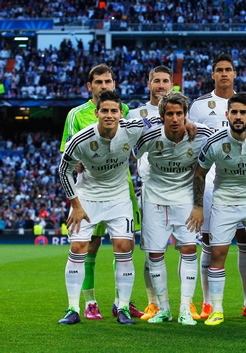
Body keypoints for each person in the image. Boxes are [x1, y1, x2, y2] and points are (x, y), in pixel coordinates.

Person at [58, 91, 160, 325]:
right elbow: (64, 170)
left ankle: (122, 307)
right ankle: (72, 308)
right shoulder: (81, 139)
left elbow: (159, 118)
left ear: (120, 113)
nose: (109, 115)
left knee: (124, 247)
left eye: (114, 110)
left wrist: (188, 123)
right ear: (96, 113)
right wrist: (75, 204)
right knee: (78, 246)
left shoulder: (132, 127)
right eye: (104, 110)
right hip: (88, 198)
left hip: (118, 198)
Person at [186, 92, 246, 326]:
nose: (238, 116)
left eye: (243, 112)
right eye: (234, 112)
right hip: (224, 204)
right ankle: (217, 310)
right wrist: (198, 207)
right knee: (217, 255)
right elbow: (199, 173)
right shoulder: (215, 142)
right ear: (226, 115)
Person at [187, 53, 246, 319]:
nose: (224, 74)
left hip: (242, 180)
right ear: (213, 74)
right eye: (220, 70)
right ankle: (207, 303)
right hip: (208, 182)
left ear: (235, 73)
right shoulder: (199, 105)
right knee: (208, 242)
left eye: (229, 69)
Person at [133, 91, 213, 325]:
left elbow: (227, 135)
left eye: (180, 114)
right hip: (154, 200)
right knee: (156, 254)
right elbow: (131, 149)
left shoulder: (200, 134)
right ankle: (164, 308)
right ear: (162, 116)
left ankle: (185, 308)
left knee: (189, 249)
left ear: (186, 115)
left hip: (185, 200)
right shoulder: (149, 136)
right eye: (170, 114)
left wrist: (199, 206)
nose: (175, 118)